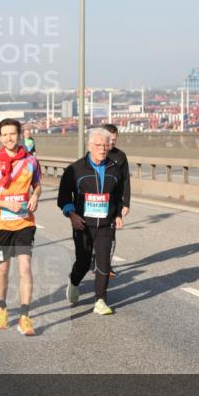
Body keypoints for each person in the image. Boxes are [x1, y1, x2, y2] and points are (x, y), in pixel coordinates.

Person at [0, 118, 42, 336]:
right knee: (2, 269)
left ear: (19, 135)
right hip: (1, 225)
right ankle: (2, 307)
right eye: (5, 134)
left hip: (24, 223)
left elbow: (37, 185)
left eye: (13, 133)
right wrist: (7, 204)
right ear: (0, 137)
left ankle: (25, 317)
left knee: (25, 267)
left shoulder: (31, 161)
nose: (9, 138)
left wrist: (35, 196)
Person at [57, 127, 125, 315]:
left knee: (104, 263)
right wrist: (72, 215)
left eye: (105, 145)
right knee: (84, 262)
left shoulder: (114, 169)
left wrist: (118, 214)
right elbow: (64, 197)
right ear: (89, 146)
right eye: (98, 145)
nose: (102, 149)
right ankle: (74, 281)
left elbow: (118, 195)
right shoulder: (75, 169)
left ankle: (100, 300)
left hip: (105, 224)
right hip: (83, 224)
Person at [102, 123, 131, 278]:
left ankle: (107, 266)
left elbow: (125, 180)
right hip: (95, 202)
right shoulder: (95, 154)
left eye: (115, 139)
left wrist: (126, 203)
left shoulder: (120, 156)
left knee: (110, 235)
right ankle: (94, 258)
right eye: (110, 139)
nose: (112, 142)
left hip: (113, 203)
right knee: (94, 236)